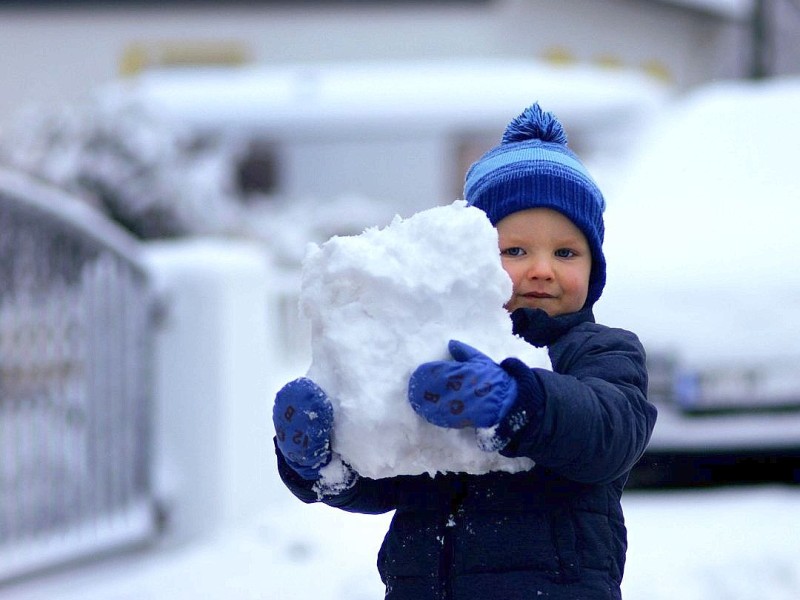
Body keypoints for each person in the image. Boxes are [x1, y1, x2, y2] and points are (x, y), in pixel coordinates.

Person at [272, 102, 657, 600]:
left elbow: (609, 431)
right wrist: (329, 465)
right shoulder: (438, 349)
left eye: (566, 252)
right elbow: (395, 474)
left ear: (594, 266)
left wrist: (519, 403)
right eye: (514, 251)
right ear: (473, 259)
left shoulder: (601, 353)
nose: (542, 269)